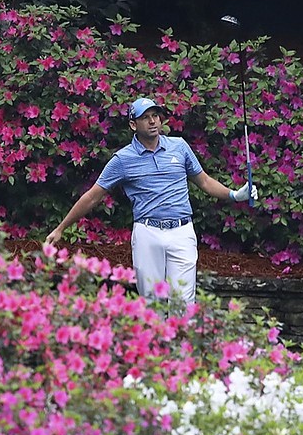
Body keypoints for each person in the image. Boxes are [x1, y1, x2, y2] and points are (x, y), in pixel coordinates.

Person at [45, 96, 257, 304]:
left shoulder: (179, 147)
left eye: (155, 115)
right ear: (132, 124)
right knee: (151, 303)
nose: (153, 121)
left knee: (182, 302)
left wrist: (234, 194)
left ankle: (180, 340)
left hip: (181, 232)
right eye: (145, 117)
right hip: (147, 233)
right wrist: (61, 228)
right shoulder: (122, 160)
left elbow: (204, 181)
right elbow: (92, 197)